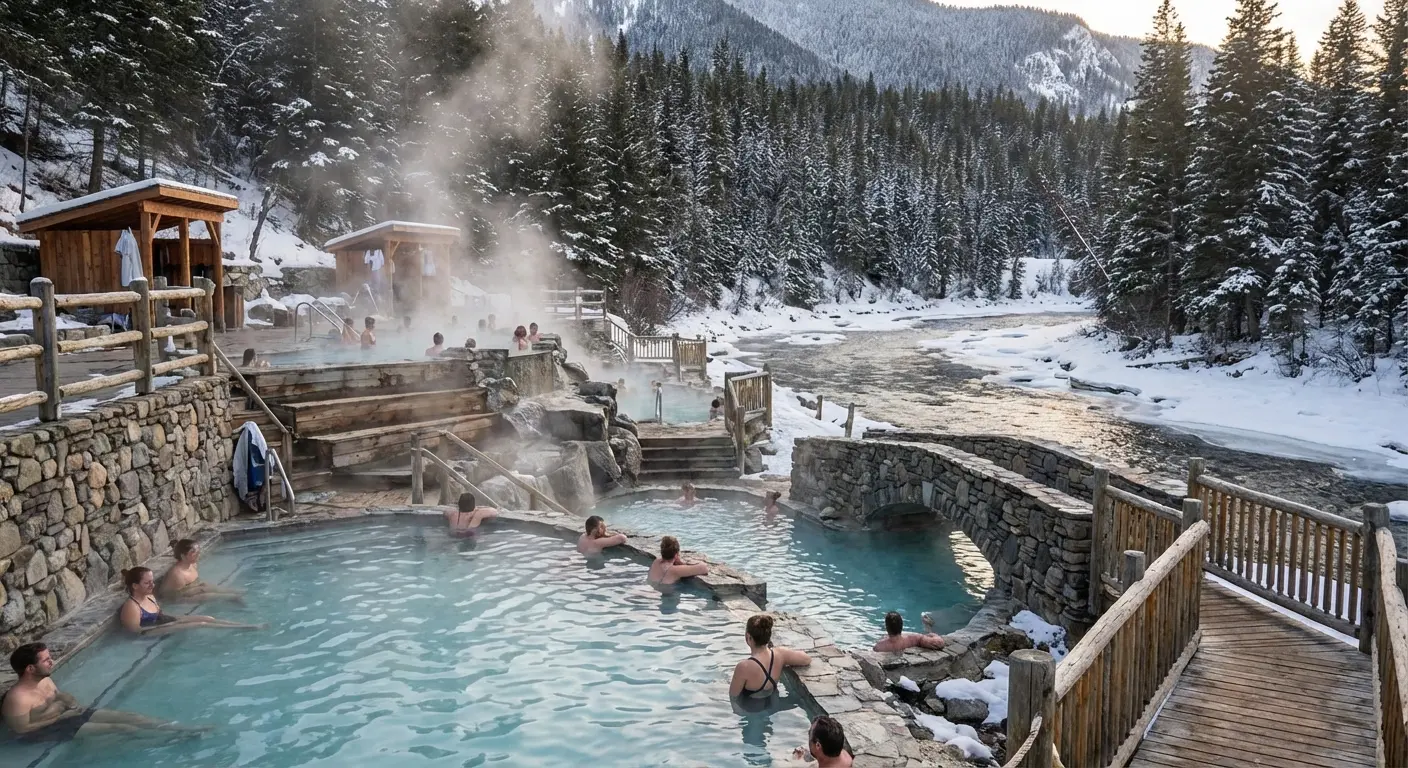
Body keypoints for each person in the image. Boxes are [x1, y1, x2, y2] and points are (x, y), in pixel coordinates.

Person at [3, 643, 208, 742]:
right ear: (30, 668)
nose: (52, 661)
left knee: (131, 717)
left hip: (67, 715)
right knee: (119, 728)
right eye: (46, 660)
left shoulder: (45, 679)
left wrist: (69, 703)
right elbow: (22, 730)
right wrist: (59, 716)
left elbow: (61, 697)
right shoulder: (17, 699)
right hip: (48, 731)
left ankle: (182, 729)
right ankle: (171, 740)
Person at [118, 567, 263, 635]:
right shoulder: (132, 607)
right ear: (135, 586)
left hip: (163, 622)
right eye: (147, 583)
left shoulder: (150, 596)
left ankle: (244, 625)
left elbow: (160, 615)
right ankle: (246, 628)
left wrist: (178, 619)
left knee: (207, 618)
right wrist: (173, 624)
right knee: (200, 624)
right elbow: (136, 632)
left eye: (152, 581)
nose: (152, 585)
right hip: (149, 632)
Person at [728, 614, 812, 699]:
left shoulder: (744, 667)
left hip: (751, 706)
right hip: (774, 701)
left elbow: (733, 698)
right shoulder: (780, 654)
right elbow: (807, 659)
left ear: (748, 637)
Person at [159, 539, 244, 603]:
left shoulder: (192, 565)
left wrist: (198, 588)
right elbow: (174, 596)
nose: (198, 553)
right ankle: (233, 598)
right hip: (177, 598)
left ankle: (237, 592)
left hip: (190, 589)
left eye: (198, 551)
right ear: (183, 556)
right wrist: (196, 590)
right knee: (214, 595)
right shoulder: (178, 575)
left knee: (205, 586)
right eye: (193, 552)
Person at [871, 611, 945, 652]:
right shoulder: (912, 639)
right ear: (901, 625)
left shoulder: (879, 646)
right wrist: (932, 634)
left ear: (887, 628)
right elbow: (939, 643)